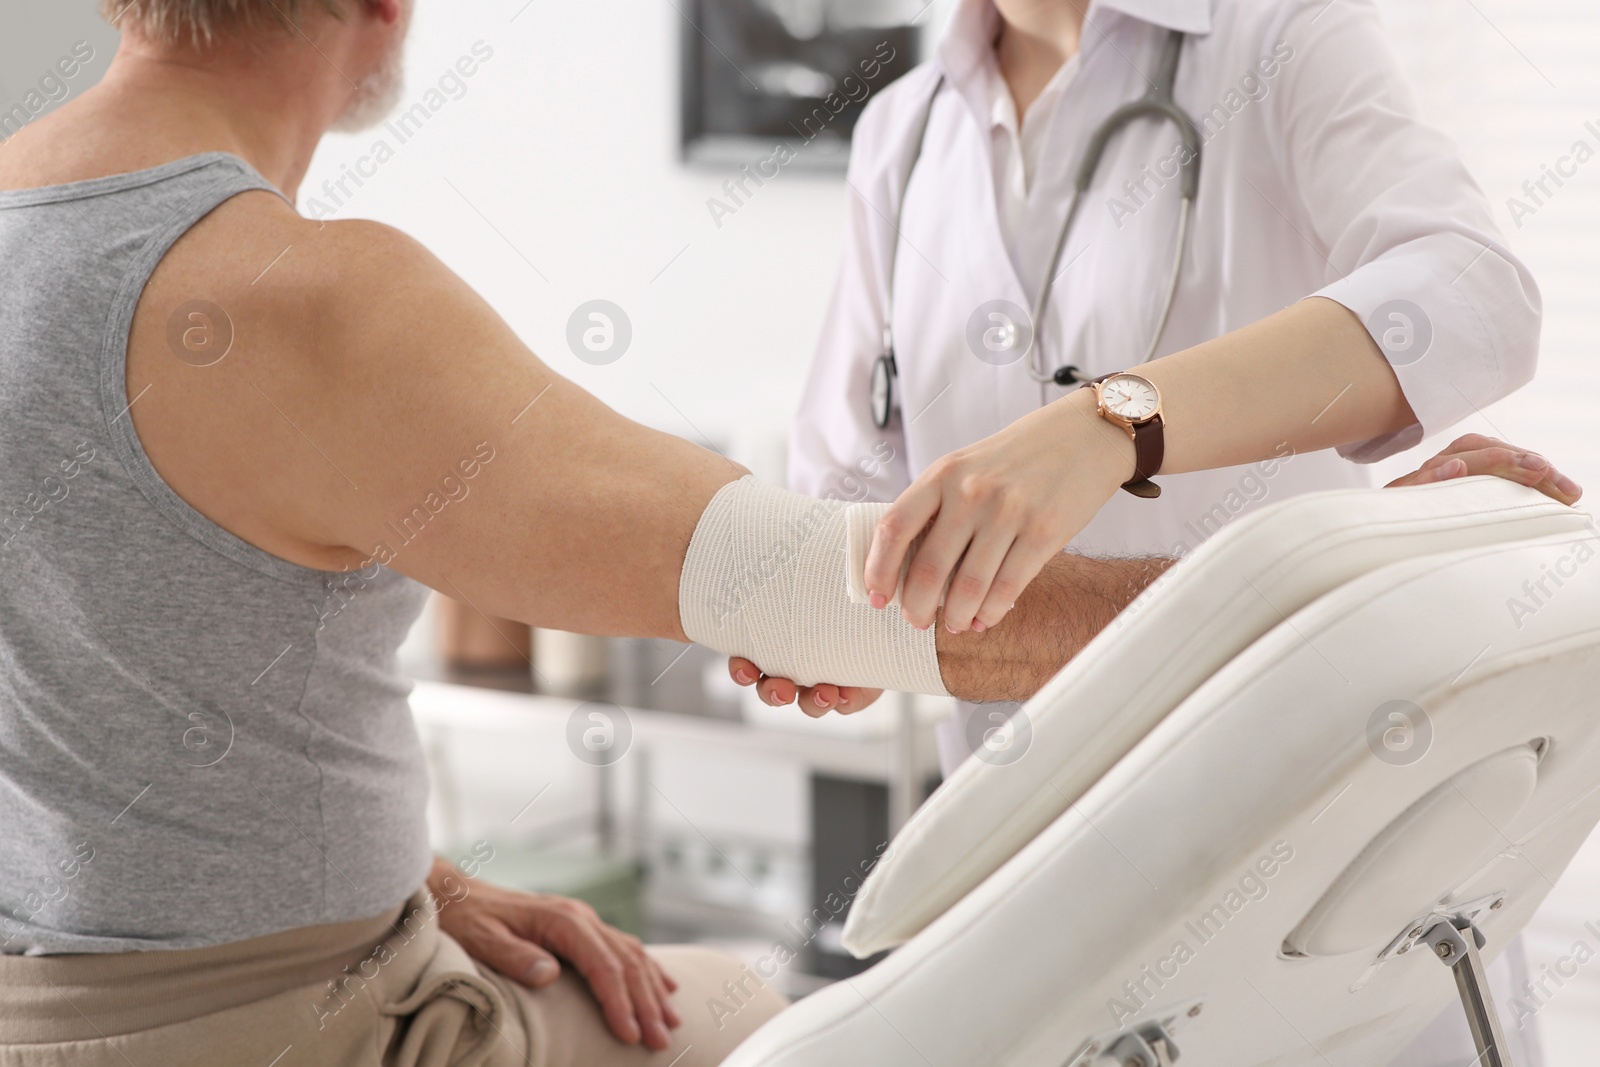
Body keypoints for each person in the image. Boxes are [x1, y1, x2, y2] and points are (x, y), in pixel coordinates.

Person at [0, 2, 1577, 1066]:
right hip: (1038, 822)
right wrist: (1322, 594)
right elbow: (828, 540)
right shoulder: (908, 127)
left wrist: (1126, 432)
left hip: (1300, 795)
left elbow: (1475, 296)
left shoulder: (1275, 42)